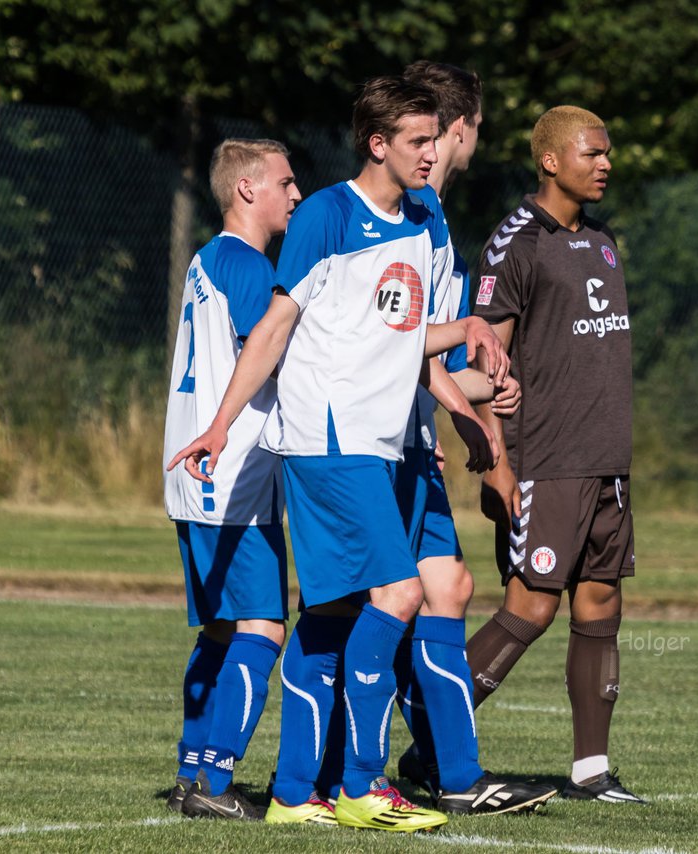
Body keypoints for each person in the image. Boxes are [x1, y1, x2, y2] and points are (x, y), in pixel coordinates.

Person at [169, 75, 509, 832]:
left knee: (328, 616)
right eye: (418, 140)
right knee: (401, 594)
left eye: (435, 138)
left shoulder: (422, 219)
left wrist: (471, 334)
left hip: (381, 445)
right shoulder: (325, 214)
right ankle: (360, 782)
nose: (433, 152)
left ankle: (294, 793)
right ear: (377, 144)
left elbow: (399, 336)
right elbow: (276, 328)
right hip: (328, 441)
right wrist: (223, 423)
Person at [464, 106, 647, 804]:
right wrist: (496, 462)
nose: (605, 163)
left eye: (608, 152)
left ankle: (591, 774)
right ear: (550, 160)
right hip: (545, 459)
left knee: (600, 605)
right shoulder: (515, 243)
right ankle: (433, 744)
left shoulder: (601, 240)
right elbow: (486, 359)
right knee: (531, 609)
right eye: (592, 153)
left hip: (607, 460)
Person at [390, 59, 556, 816]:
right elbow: (398, 347)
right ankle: (345, 772)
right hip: (371, 443)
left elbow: (438, 357)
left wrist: (490, 392)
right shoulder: (406, 213)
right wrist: (485, 440)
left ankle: (449, 772)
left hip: (411, 439)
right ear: (468, 127)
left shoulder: (431, 217)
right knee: (377, 605)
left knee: (446, 588)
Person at [162, 138, 302, 820]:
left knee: (219, 629)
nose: (296, 195)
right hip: (233, 478)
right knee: (264, 628)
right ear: (247, 189)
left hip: (193, 478)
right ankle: (216, 786)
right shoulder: (248, 267)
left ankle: (191, 770)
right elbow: (268, 357)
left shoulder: (204, 260)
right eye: (285, 182)